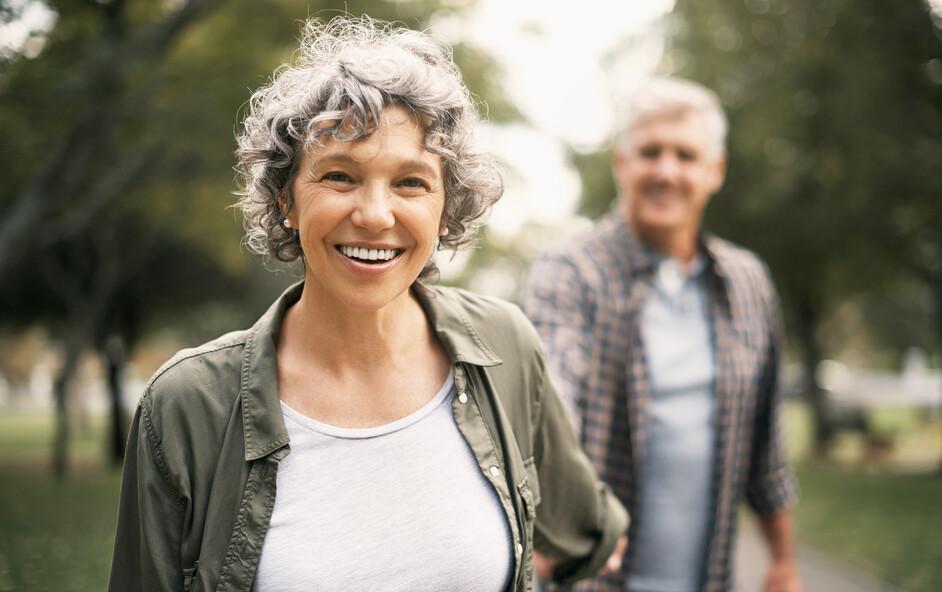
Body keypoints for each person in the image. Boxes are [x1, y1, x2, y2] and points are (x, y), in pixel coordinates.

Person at [108, 16, 628, 592]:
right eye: (339, 176)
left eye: (411, 182)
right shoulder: (185, 407)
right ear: (286, 199)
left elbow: (588, 533)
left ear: (445, 207)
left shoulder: (503, 345)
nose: (376, 215)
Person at [521, 77, 801, 592]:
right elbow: (551, 396)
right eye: (650, 152)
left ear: (714, 171)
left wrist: (783, 561)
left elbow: (766, 444)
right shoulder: (569, 273)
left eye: (685, 155)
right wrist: (547, 506)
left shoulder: (747, 282)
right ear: (621, 164)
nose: (666, 171)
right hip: (592, 580)